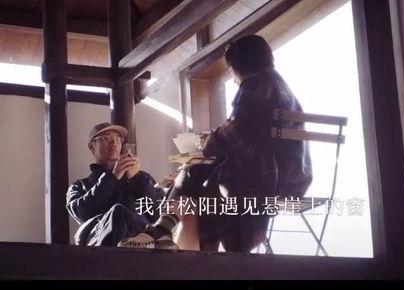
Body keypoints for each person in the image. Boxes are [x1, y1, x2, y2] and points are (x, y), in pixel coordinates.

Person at [120, 34, 313, 253]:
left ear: (239, 66)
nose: (233, 78)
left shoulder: (256, 85)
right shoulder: (281, 87)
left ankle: (163, 229)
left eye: (230, 70)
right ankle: (166, 231)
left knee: (195, 169)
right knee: (200, 182)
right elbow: (244, 133)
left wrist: (206, 144)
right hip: (291, 179)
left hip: (265, 182)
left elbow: (232, 134)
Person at [66, 123, 178, 249]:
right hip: (100, 241)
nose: (113, 143)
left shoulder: (142, 178)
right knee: (118, 212)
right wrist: (112, 178)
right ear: (92, 147)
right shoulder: (79, 186)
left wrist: (137, 179)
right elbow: (81, 213)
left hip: (142, 239)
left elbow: (159, 212)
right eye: (106, 138)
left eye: (117, 139)